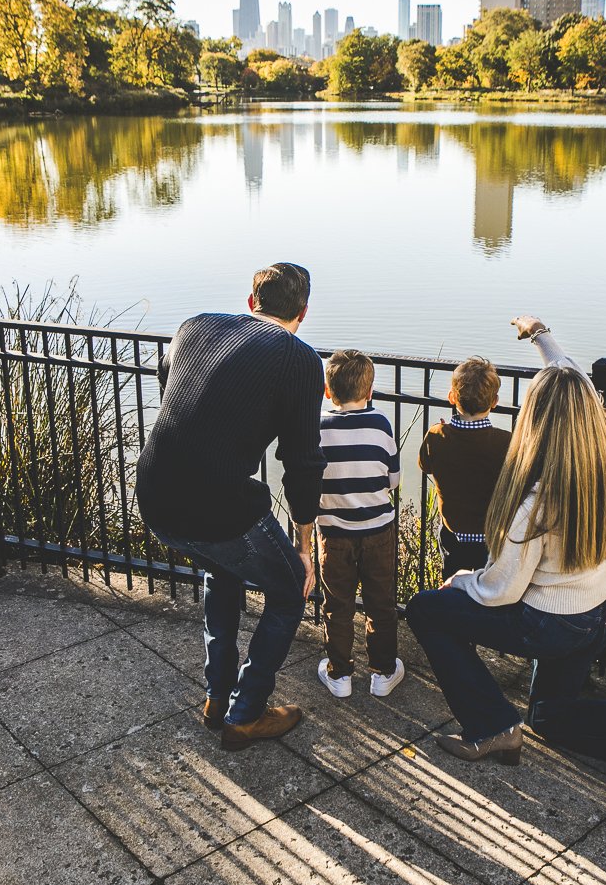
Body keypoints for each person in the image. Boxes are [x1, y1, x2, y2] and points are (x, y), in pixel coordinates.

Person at [404, 316, 606, 782]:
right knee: (551, 718)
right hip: (600, 608)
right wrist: (540, 335)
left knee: (426, 610)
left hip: (550, 624)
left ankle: (491, 726)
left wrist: (462, 582)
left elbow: (501, 591)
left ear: (535, 418)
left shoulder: (535, 499)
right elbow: (571, 377)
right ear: (587, 408)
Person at [137, 263, 325, 752]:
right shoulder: (299, 359)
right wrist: (306, 547)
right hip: (215, 504)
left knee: (221, 571)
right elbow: (302, 464)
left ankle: (216, 697)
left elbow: (175, 393)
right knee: (288, 592)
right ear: (302, 314)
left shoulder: (195, 326)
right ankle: (246, 714)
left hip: (154, 494)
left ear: (251, 302)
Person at [314, 349, 404, 699]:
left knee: (337, 605)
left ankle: (339, 675)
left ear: (327, 390)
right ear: (370, 391)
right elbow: (393, 480)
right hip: (378, 532)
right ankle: (382, 671)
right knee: (381, 603)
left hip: (334, 534)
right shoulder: (380, 424)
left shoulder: (318, 427)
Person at [418, 357, 512, 577]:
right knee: (488, 588)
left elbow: (425, 466)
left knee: (452, 584)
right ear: (495, 401)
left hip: (453, 533)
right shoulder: (506, 442)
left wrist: (443, 432)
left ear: (452, 397)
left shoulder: (436, 435)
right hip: (491, 536)